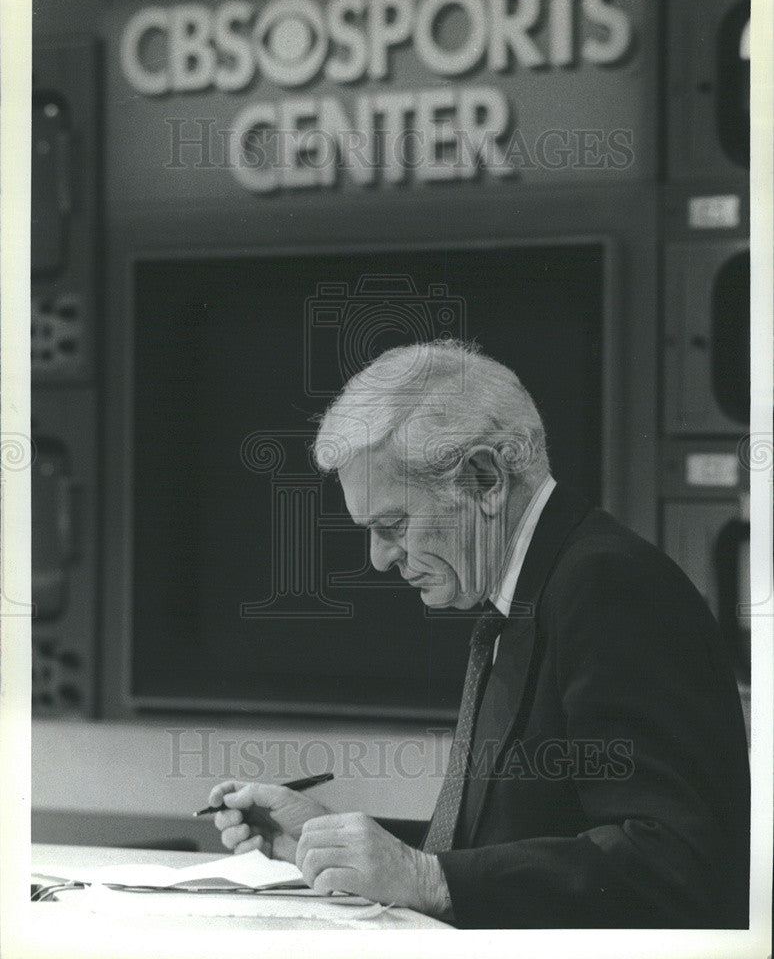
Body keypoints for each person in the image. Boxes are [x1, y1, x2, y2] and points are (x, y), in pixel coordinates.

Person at [208, 340, 750, 928]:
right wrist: (334, 846)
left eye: (393, 524)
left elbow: (676, 862)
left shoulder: (608, 586)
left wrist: (424, 877)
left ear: (486, 479)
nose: (378, 558)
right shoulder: (532, 589)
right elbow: (525, 837)